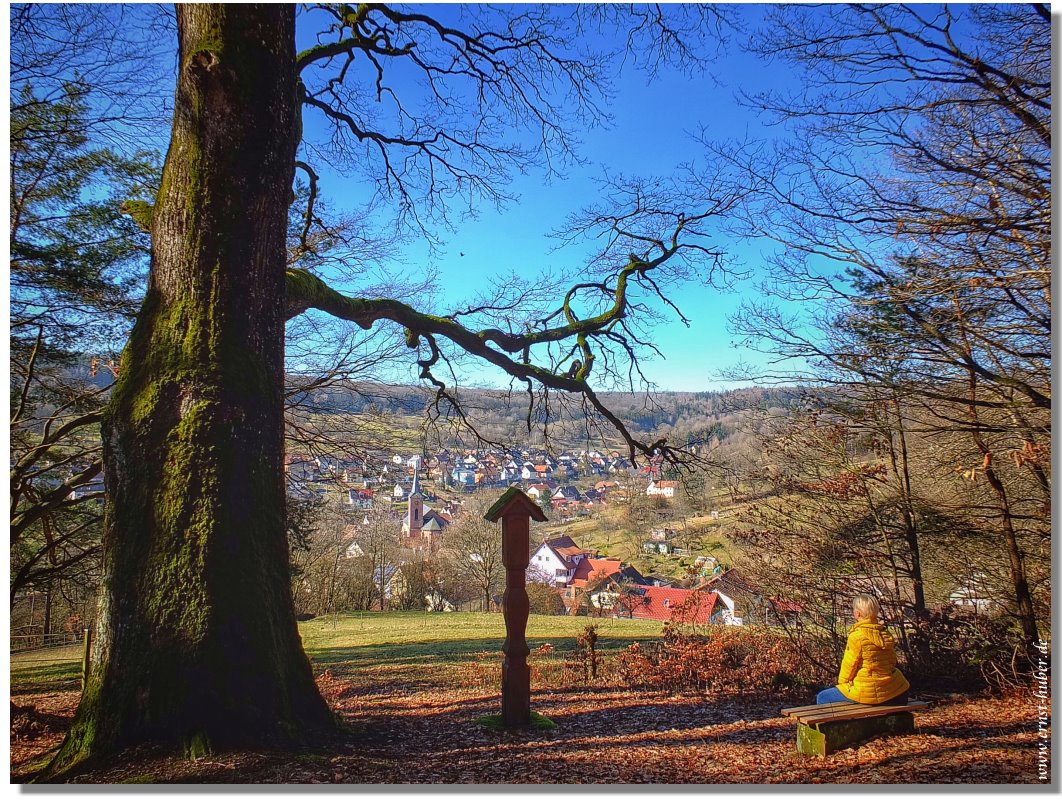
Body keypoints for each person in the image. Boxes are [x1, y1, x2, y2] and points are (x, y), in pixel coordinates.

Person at [816, 593, 910, 705]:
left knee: (822, 697)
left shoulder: (857, 636)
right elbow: (892, 661)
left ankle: (843, 723)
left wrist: (843, 685)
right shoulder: (884, 633)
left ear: (858, 613)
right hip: (896, 688)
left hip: (869, 691)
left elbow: (849, 666)